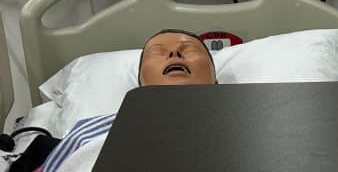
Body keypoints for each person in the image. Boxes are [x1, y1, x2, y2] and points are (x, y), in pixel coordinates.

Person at [39, 30, 217, 172]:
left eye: (190, 50)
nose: (174, 53)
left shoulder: (241, 123)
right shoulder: (90, 132)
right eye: (158, 52)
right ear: (140, 82)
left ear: (217, 81)